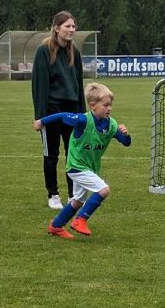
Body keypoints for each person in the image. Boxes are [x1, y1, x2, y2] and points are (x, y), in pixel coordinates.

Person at [34, 82, 130, 239]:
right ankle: (80, 219)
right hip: (76, 166)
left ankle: (56, 226)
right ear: (92, 105)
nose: (109, 108)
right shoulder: (82, 120)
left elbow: (126, 143)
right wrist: (41, 121)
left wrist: (125, 134)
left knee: (78, 201)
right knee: (104, 190)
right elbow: (62, 115)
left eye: (110, 105)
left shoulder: (111, 124)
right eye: (105, 105)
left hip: (90, 168)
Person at [31, 10, 86, 210]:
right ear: (56, 28)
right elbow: (39, 86)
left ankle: (73, 195)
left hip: (72, 111)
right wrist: (40, 117)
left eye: (73, 26)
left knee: (73, 154)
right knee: (51, 155)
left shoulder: (75, 52)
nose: (71, 30)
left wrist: (83, 115)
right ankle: (53, 194)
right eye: (67, 26)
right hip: (52, 111)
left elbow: (79, 84)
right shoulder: (43, 51)